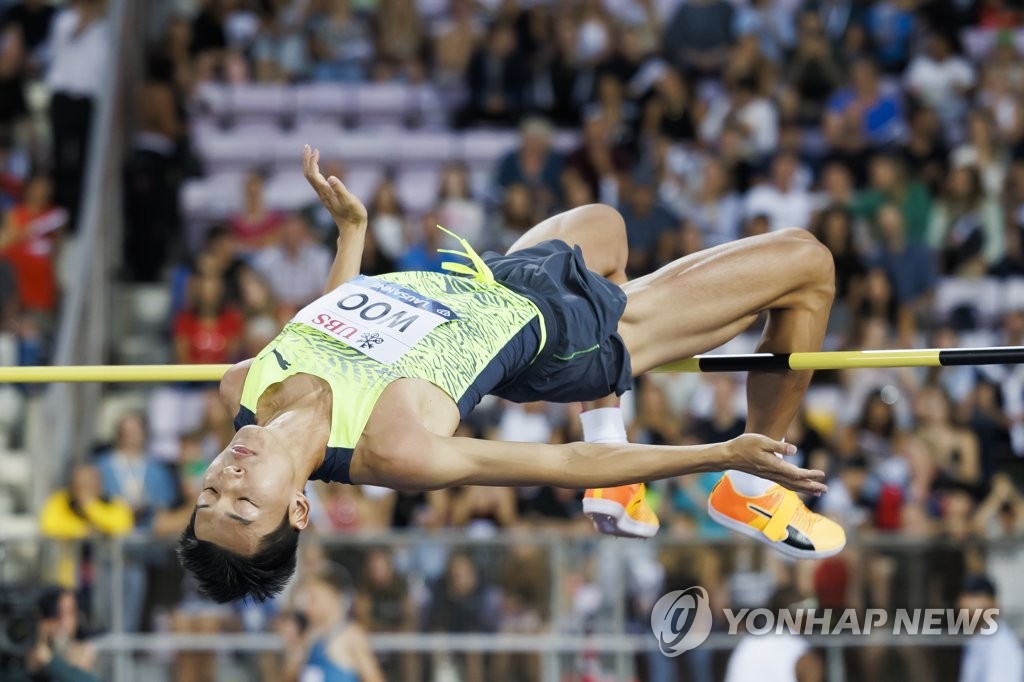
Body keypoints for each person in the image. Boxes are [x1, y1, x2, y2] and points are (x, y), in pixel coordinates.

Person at [177, 145, 844, 604]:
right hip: (564, 338)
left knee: (604, 226)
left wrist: (352, 234)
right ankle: (750, 489)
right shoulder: (392, 448)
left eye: (208, 498)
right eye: (244, 505)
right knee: (807, 263)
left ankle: (618, 465)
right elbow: (560, 463)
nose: (227, 482)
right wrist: (719, 452)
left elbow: (327, 330)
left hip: (492, 278)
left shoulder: (242, 386)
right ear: (298, 508)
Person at [958, 573, 1024, 682]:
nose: (967, 602)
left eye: (975, 595)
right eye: (966, 595)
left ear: (993, 603)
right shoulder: (978, 640)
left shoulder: (1001, 644)